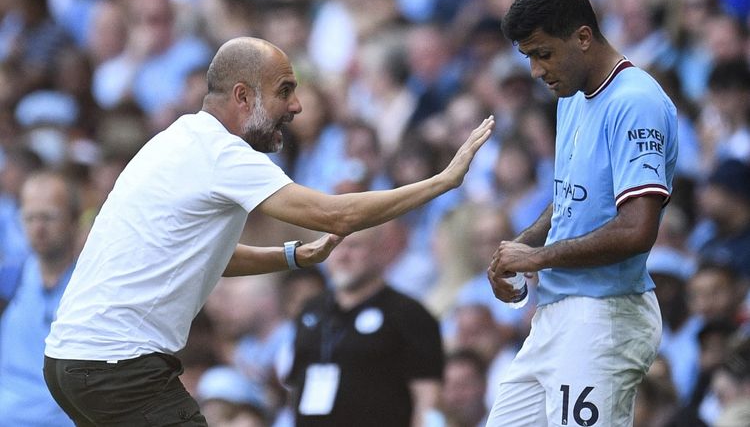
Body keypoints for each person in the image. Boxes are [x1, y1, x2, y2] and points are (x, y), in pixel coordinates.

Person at [43, 36, 493, 426]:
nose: (296, 105)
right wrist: (442, 181)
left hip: (70, 363)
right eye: (285, 91)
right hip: (117, 367)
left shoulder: (178, 139)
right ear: (243, 96)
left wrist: (293, 256)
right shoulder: (225, 155)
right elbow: (336, 215)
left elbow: (208, 257)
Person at [487, 0, 678, 426]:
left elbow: (637, 229)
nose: (536, 70)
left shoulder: (636, 101)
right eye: (529, 57)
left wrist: (537, 258)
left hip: (604, 317)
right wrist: (521, 247)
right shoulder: (571, 95)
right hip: (556, 314)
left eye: (543, 53)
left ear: (583, 37)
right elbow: (570, 198)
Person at [287, 226, 444, 427]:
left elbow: (428, 400)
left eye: (354, 246)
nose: (343, 255)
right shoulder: (311, 311)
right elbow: (295, 387)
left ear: (380, 250)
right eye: (334, 247)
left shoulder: (409, 314)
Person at [0, 171, 80, 426]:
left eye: (48, 217)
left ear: (74, 219)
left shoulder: (90, 285)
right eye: (30, 218)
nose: (38, 228)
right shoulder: (11, 278)